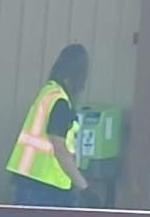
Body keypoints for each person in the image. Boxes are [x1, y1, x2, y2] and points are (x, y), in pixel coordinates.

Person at [7, 43, 90, 206]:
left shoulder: (48, 93)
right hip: (47, 189)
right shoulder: (60, 102)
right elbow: (59, 148)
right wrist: (84, 187)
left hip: (29, 180)